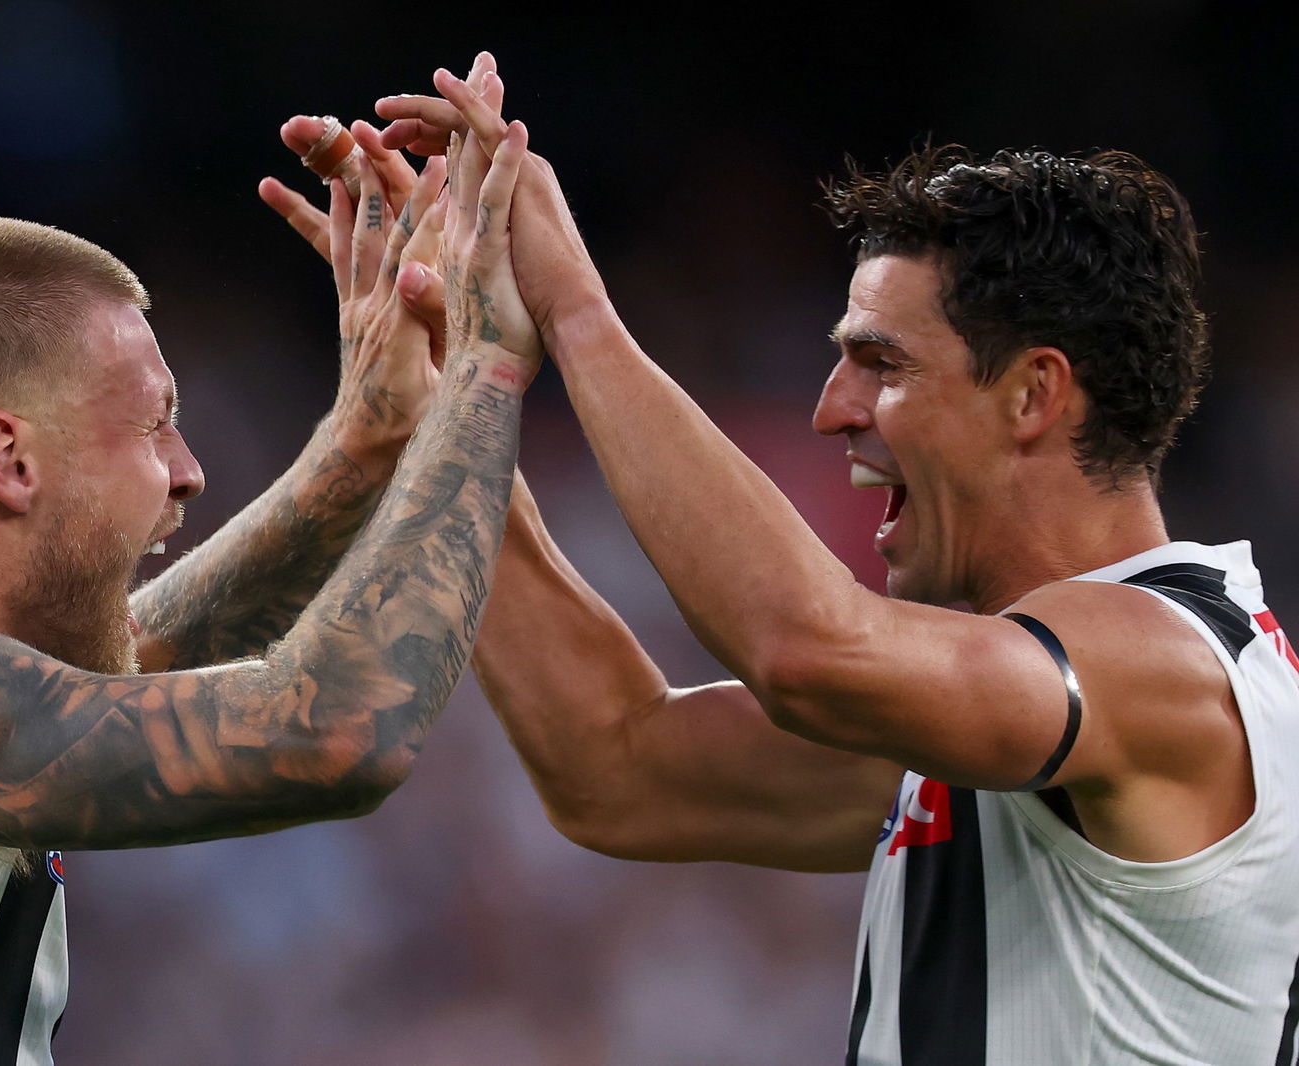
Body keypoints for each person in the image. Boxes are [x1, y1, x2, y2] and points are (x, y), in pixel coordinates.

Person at [374, 58, 1299, 1064]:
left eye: (883, 364)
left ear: (1034, 395)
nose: (832, 410)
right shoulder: (995, 713)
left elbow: (804, 648)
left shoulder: (1172, 662)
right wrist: (443, 410)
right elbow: (617, 764)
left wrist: (577, 313)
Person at [0, 107, 539, 1063]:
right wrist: (487, 363)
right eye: (152, 425)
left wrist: (368, 441)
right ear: (8, 456)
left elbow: (113, 666)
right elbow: (336, 732)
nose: (187, 471)